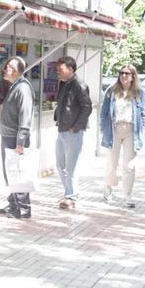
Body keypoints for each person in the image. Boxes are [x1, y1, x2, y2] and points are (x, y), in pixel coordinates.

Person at [100, 65, 145, 208]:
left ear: (133, 76)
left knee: (129, 165)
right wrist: (103, 127)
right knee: (111, 163)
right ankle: (108, 188)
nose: (123, 76)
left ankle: (127, 195)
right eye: (121, 73)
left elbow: (144, 114)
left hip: (131, 130)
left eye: (127, 73)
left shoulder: (139, 93)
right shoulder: (112, 91)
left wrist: (142, 131)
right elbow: (103, 113)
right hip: (114, 129)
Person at [54, 56, 92, 210]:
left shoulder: (79, 85)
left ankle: (71, 195)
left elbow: (87, 108)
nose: (58, 73)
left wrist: (75, 127)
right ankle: (69, 192)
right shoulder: (65, 84)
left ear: (70, 69)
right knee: (60, 165)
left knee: (71, 167)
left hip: (73, 131)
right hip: (62, 129)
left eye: (60, 70)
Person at [0, 57, 34, 219]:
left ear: (18, 71)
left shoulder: (23, 89)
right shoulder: (15, 86)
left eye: (9, 67)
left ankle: (23, 208)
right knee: (10, 172)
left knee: (18, 172)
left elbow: (25, 117)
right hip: (8, 136)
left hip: (15, 138)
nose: (5, 69)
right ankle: (13, 203)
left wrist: (21, 141)